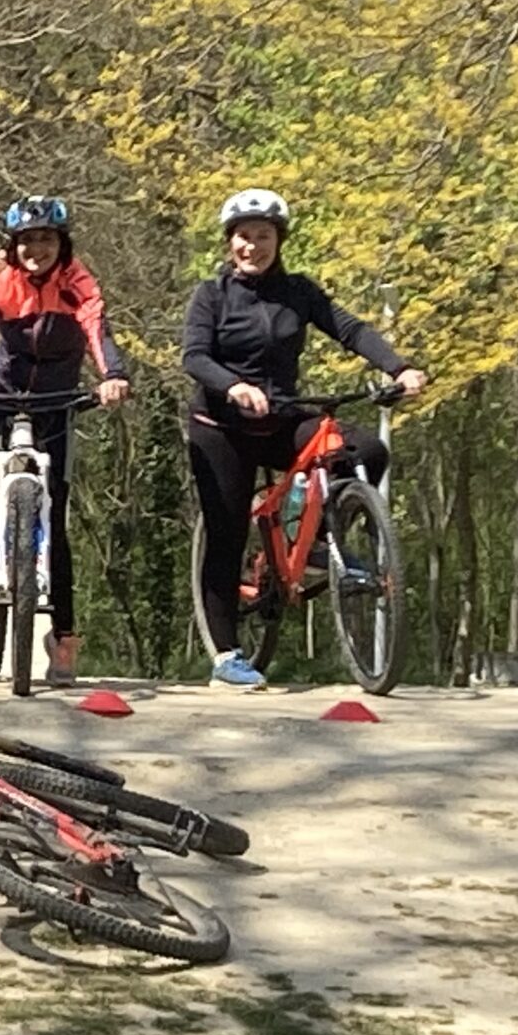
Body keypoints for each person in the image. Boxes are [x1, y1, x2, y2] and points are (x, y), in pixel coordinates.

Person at [183, 188, 427, 690]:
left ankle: (316, 543)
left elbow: (351, 330)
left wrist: (399, 368)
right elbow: (195, 357)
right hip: (221, 428)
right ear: (230, 243)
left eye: (264, 236)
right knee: (226, 534)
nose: (254, 246)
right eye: (244, 237)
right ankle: (228, 654)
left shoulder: (299, 292)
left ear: (279, 240)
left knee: (362, 449)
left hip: (282, 417)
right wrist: (235, 386)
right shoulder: (211, 296)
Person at [0, 195, 131, 686]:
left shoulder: (78, 282)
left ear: (62, 244)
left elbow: (98, 331)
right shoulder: (6, 283)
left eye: (46, 239)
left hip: (57, 392)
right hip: (5, 380)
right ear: (13, 248)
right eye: (27, 241)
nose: (37, 248)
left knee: (54, 514)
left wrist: (114, 375)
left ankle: (63, 638)